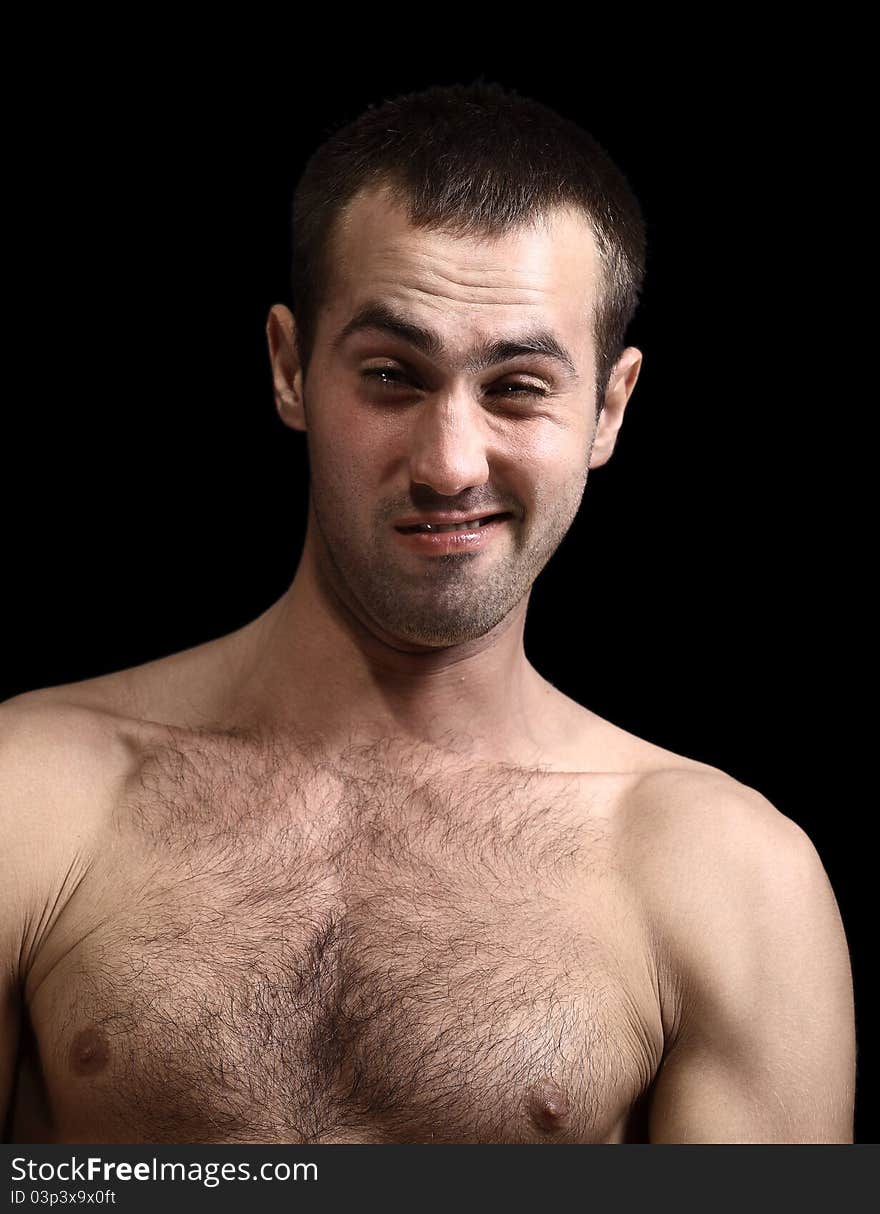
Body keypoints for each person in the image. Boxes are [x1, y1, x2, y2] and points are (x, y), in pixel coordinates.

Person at [1, 79, 855, 1145]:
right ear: (288, 368)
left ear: (609, 406)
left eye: (517, 387)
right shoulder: (30, 795)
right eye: (393, 374)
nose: (450, 463)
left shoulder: (732, 878)